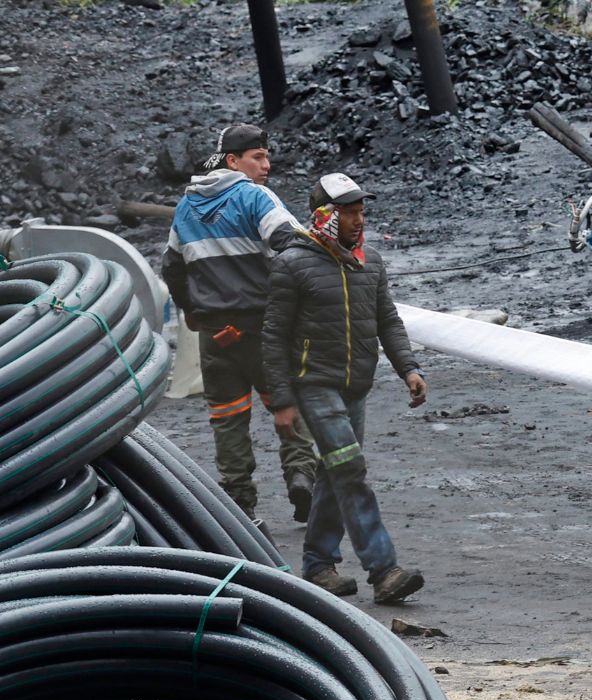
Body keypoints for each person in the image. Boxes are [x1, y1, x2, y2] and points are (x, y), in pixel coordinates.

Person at [260, 173, 429, 605]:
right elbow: (274, 336)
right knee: (350, 469)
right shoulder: (292, 264)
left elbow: (387, 320)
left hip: (355, 386)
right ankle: (384, 570)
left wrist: (408, 368)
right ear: (324, 216)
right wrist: (281, 401)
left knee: (336, 474)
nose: (359, 220)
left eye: (361, 211)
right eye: (349, 212)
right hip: (313, 385)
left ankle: (318, 564)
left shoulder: (368, 262)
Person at [160, 123, 318, 526]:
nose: (267, 164)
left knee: (228, 419)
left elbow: (171, 268)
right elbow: (289, 240)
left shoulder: (187, 207)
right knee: (287, 402)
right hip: (263, 328)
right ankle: (302, 476)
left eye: (266, 155)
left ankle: (241, 505)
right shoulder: (253, 196)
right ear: (233, 161)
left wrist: (191, 312)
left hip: (216, 337)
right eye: (258, 157)